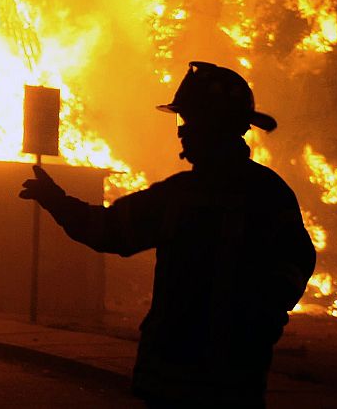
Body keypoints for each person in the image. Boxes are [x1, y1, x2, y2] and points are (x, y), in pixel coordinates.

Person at [19, 61, 316, 407]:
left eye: (188, 121)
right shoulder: (268, 193)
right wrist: (265, 321)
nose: (181, 133)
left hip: (186, 379)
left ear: (214, 125)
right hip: (226, 380)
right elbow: (109, 229)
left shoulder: (183, 197)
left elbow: (107, 230)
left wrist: (264, 317)